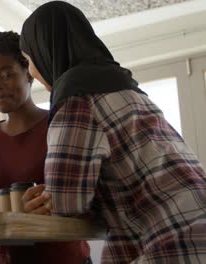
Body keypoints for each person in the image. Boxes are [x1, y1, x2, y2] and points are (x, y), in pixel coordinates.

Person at [20, 1, 206, 263]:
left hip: (174, 243)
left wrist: (42, 203)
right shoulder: (129, 89)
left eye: (28, 60)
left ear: (44, 51)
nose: (31, 71)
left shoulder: (76, 97)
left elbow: (65, 204)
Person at [0, 31, 91, 264]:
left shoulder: (60, 125)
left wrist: (58, 203)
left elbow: (90, 200)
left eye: (7, 75)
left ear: (29, 74)